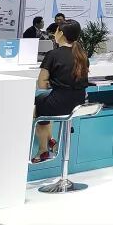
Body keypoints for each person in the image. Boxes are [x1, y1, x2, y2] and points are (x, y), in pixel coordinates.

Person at [32, 19, 90, 163]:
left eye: (56, 31)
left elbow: (41, 84)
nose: (54, 34)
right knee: (45, 101)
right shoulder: (82, 55)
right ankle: (50, 141)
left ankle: (43, 149)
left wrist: (54, 84)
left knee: (37, 104)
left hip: (58, 103)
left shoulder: (53, 54)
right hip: (79, 104)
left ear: (61, 33)